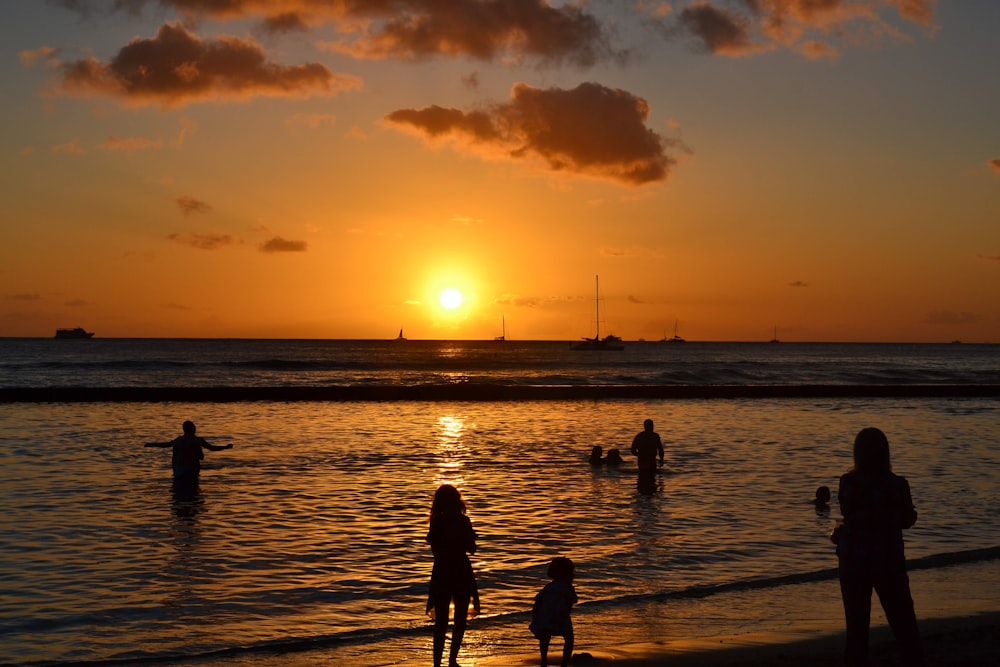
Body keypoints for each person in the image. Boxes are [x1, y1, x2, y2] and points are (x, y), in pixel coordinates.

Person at [836, 427, 924, 667]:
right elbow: (906, 520)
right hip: (888, 560)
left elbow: (848, 513)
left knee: (856, 628)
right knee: (904, 623)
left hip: (853, 561)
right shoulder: (897, 485)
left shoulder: (848, 482)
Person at [426, 484, 480, 667]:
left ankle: (437, 663)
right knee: (460, 618)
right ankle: (452, 660)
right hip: (461, 570)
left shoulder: (436, 522)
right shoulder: (463, 521)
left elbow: (436, 551)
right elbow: (472, 549)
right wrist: (468, 538)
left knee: (440, 621)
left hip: (442, 570)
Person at [144, 420, 233, 487]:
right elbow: (212, 448)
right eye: (194, 427)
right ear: (193, 429)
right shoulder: (197, 440)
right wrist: (225, 447)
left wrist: (152, 444)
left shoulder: (178, 440)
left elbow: (165, 445)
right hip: (192, 467)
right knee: (193, 488)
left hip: (180, 468)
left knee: (178, 489)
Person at [530, 556, 577, 667]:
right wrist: (565, 614)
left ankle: (544, 660)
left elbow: (538, 601)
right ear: (567, 574)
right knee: (569, 638)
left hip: (546, 617)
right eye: (571, 573)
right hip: (561, 616)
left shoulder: (549, 587)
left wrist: (536, 616)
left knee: (545, 638)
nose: (573, 576)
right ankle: (564, 663)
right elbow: (571, 601)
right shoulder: (567, 587)